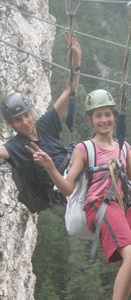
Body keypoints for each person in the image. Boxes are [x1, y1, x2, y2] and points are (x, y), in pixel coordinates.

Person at [26, 89, 131, 300]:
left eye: (108, 114)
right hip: (99, 206)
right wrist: (50, 167)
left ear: (115, 116)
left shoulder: (123, 147)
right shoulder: (84, 149)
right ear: (89, 119)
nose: (104, 120)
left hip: (123, 206)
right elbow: (68, 188)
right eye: (98, 115)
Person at [0, 31, 82, 211]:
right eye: (18, 119)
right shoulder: (17, 146)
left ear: (32, 112)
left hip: (77, 174)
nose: (25, 122)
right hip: (66, 187)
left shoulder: (44, 125)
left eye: (27, 115)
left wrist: (76, 59)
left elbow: (69, 91)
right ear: (10, 124)